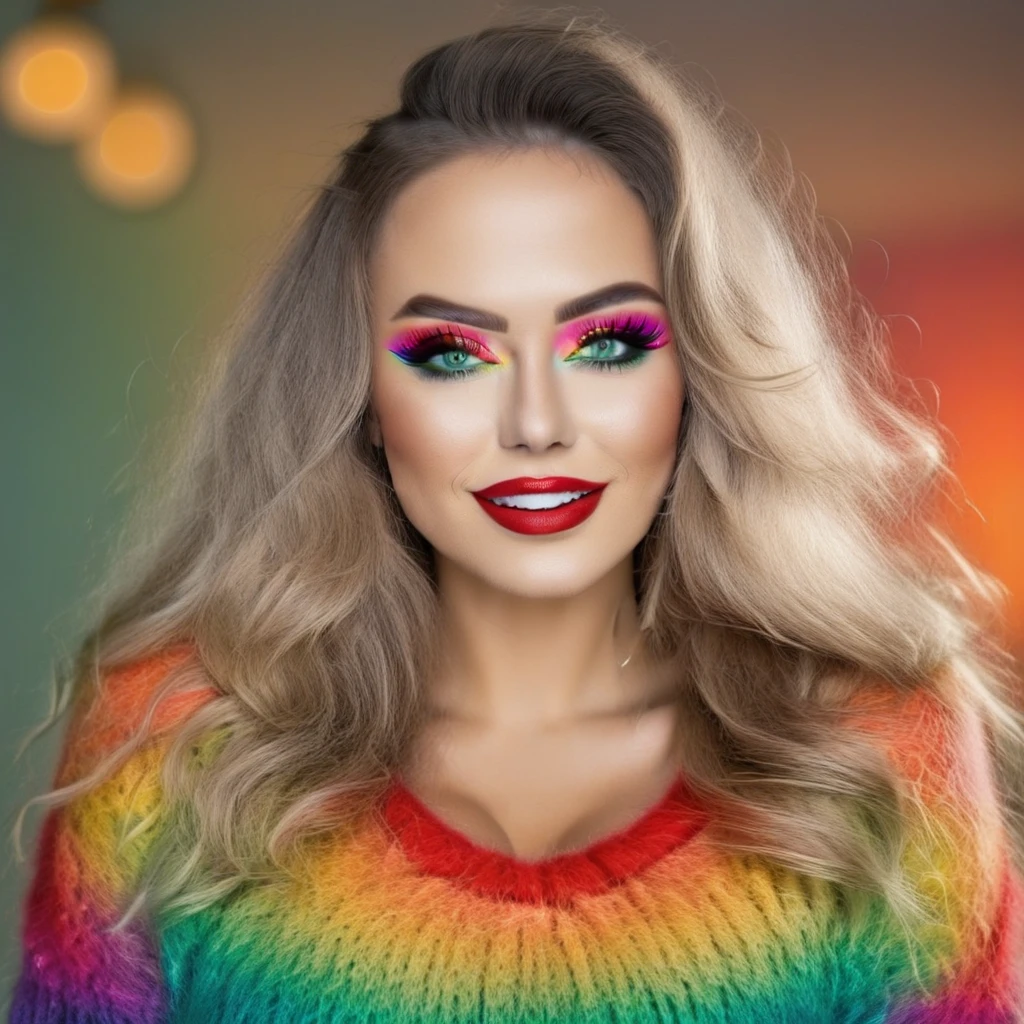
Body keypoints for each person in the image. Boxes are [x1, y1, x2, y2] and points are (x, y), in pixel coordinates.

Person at [8, 12, 1024, 1023]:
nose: (535, 423)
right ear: (358, 394)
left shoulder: (880, 752)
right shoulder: (176, 747)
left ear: (697, 374)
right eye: (452, 352)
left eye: (608, 343)